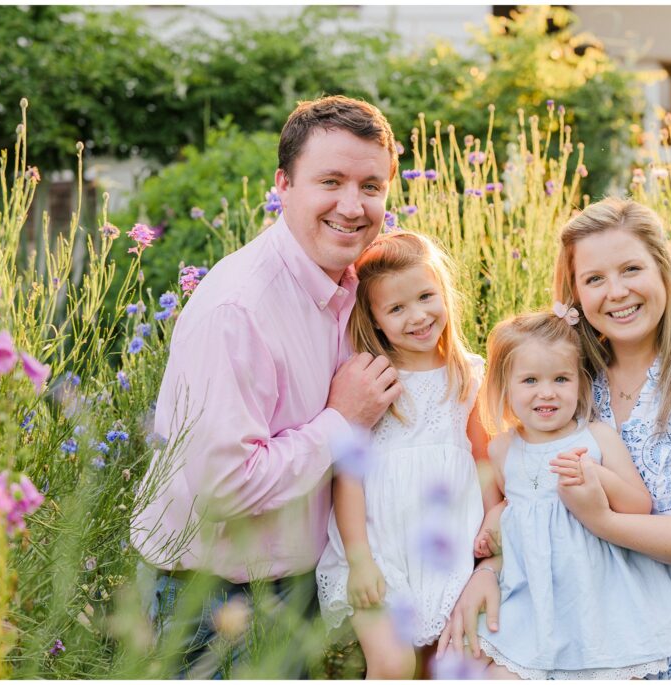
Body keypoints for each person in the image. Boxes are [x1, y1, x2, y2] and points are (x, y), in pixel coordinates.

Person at [440, 197, 671, 680]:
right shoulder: (574, 377)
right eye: (594, 279)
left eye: (631, 268)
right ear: (574, 295)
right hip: (595, 630)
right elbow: (529, 494)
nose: (617, 292)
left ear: (663, 269)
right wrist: (489, 568)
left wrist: (604, 521)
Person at [130, 95, 402, 678]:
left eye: (372, 186)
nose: (353, 206)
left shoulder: (361, 286)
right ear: (283, 185)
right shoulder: (240, 308)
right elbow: (223, 488)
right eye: (330, 181)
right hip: (213, 603)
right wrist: (341, 421)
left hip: (299, 586)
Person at [314, 231, 493, 679]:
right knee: (392, 664)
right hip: (377, 552)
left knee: (450, 664)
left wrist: (492, 541)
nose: (418, 316)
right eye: (396, 308)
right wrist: (360, 561)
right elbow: (349, 476)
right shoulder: (369, 378)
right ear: (373, 319)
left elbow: (485, 463)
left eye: (426, 297)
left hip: (448, 550)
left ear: (444, 293)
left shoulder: (468, 375)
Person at [471, 310, 671, 679]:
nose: (546, 392)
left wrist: (597, 476)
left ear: (580, 384)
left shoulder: (595, 438)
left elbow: (638, 504)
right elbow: (509, 504)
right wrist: (491, 528)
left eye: (561, 379)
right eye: (530, 380)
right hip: (533, 601)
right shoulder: (502, 449)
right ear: (506, 385)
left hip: (598, 599)